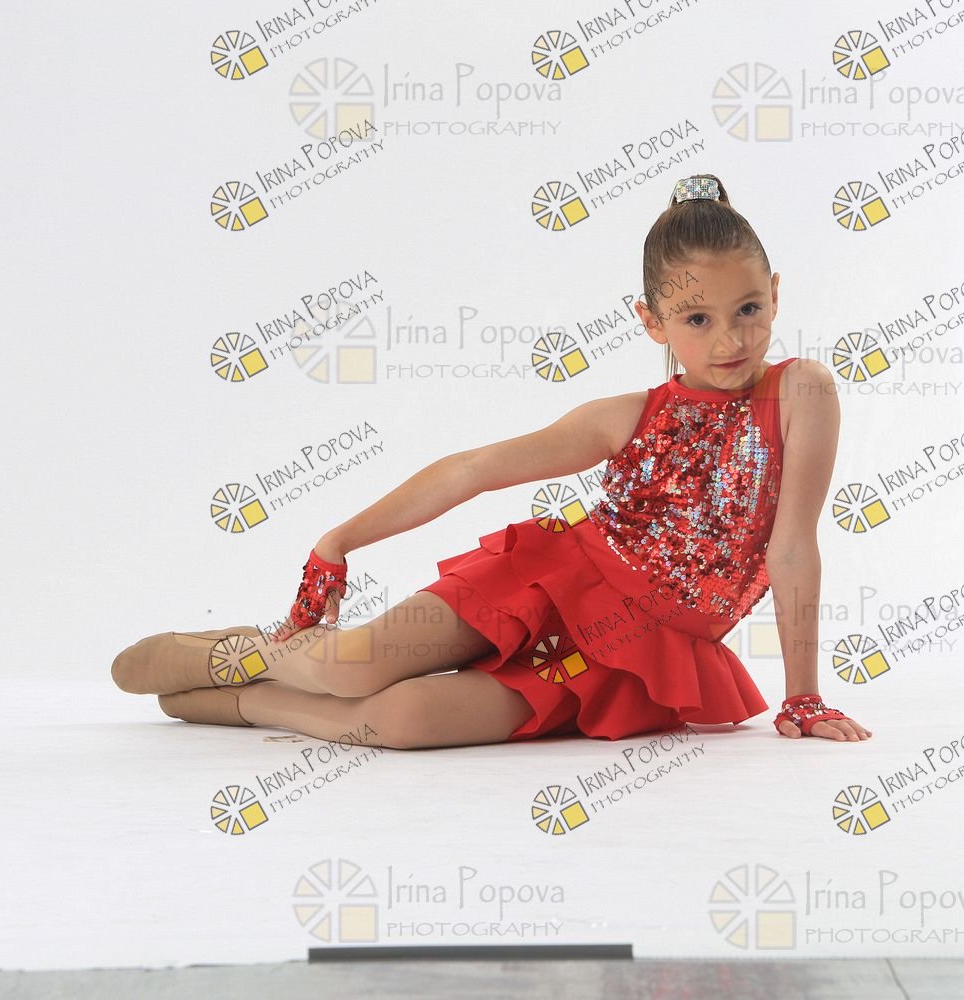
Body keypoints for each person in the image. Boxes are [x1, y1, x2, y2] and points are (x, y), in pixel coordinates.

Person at [110, 173, 870, 750]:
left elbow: (792, 549)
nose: (731, 340)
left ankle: (244, 697)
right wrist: (337, 542)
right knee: (352, 669)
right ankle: (242, 652)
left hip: (640, 650)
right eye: (697, 319)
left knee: (404, 720)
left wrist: (802, 696)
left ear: (775, 294)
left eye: (748, 310)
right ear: (651, 321)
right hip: (554, 581)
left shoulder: (801, 392)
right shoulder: (626, 417)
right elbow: (473, 469)